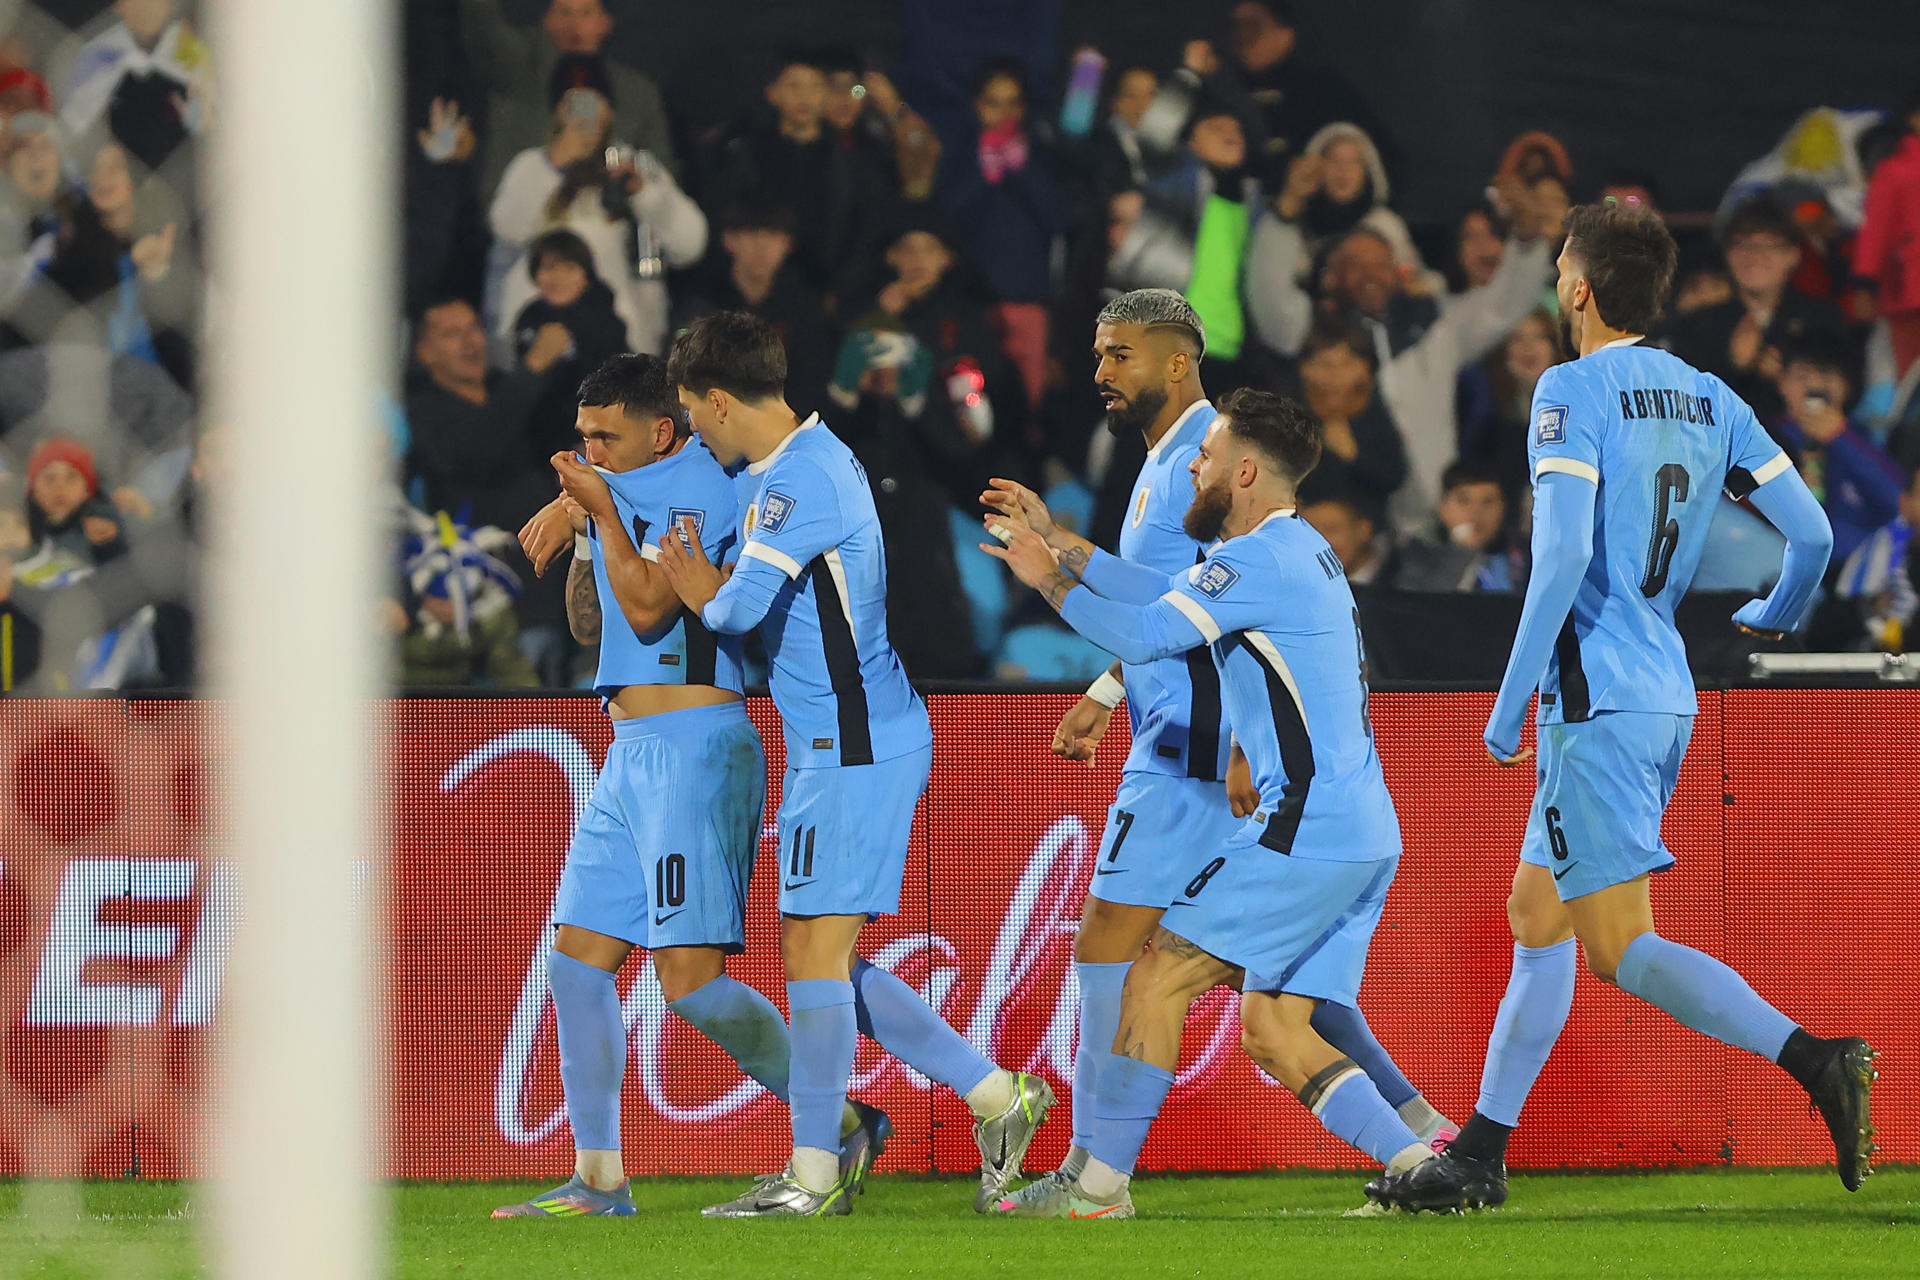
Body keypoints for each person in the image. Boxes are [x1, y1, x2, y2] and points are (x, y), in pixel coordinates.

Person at [1365, 202, 1872, 1215]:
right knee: (1536, 912)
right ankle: (1481, 1152)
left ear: (1580, 288)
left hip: (1594, 700)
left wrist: (1508, 705)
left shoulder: (1570, 387)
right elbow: (1811, 535)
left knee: (1619, 948)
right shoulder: (1711, 394)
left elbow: (1558, 554)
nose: (1557, 280)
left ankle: (1816, 1057)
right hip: (1663, 691)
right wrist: (1776, 612)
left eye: (1560, 266)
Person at [980, 290, 1452, 1191]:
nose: (1196, 464)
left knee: (1148, 974)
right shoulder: (1296, 547)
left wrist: (1046, 574)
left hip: (1282, 809)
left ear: (1243, 471)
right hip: (1357, 822)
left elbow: (1155, 629)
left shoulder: (1247, 548)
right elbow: (1172, 606)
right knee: (1278, 1021)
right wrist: (1066, 554)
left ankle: (1094, 1184)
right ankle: (1428, 1158)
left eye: (1208, 458)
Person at [653, 312, 1051, 1217]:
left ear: (720, 400)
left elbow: (735, 610)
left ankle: (816, 1172)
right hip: (841, 741)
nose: (695, 431)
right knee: (817, 953)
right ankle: (997, 1096)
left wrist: (698, 587)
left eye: (694, 412)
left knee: (815, 954)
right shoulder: (783, 467)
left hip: (856, 742)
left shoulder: (804, 479)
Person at [494, 354, 888, 1216]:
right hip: (627, 749)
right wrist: (584, 518)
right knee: (576, 964)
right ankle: (599, 1180)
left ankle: (839, 1120)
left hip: (696, 748)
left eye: (607, 437)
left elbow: (647, 611)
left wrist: (594, 508)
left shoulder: (707, 490)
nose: (591, 452)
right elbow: (592, 623)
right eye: (583, 437)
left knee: (692, 983)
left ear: (663, 431)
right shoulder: (615, 491)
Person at [1246, 179, 1557, 535]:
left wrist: (1528, 242)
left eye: (1381, 264)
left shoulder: (1434, 324)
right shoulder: (1310, 330)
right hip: (1346, 524)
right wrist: (1283, 218)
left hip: (1431, 519)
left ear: (1398, 271)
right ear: (1331, 276)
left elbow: (1503, 306)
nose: (1371, 274)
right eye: (1355, 264)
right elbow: (1268, 295)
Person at [489, 88, 707, 357]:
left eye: (595, 103)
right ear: (559, 111)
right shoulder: (532, 164)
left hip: (621, 346)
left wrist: (644, 194)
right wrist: (552, 164)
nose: (587, 115)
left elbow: (690, 246)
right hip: (540, 340)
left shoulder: (634, 165)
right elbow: (507, 228)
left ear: (611, 111)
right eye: (577, 103)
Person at [936, 57, 1075, 414]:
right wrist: (985, 174)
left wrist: (1022, 169)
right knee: (973, 410)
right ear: (977, 105)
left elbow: (1061, 216)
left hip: (1029, 304)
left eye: (1013, 103)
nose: (1004, 114)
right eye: (993, 102)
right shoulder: (959, 156)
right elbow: (945, 218)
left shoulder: (1041, 155)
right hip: (973, 306)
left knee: (1029, 410)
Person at [460, 0, 676, 197]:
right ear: (547, 21)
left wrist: (640, 188)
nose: (574, 25)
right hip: (525, 213)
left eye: (586, 13)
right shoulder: (518, 70)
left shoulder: (637, 93)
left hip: (606, 220)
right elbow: (483, 26)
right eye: (564, 12)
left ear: (605, 23)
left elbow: (662, 174)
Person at [1669, 197, 1848, 423]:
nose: (1754, 257)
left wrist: (1786, 375)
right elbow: (1680, 396)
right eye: (1742, 245)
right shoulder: (1701, 319)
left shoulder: (1821, 317)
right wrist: (1735, 365)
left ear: (1793, 255)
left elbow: (1848, 381)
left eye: (1768, 246)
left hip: (1803, 434)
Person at [405, 296, 567, 535]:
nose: (470, 341)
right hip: (482, 551)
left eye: (474, 328)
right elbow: (478, 451)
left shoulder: (504, 385)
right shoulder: (423, 410)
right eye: (452, 334)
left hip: (556, 541)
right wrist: (532, 368)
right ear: (425, 353)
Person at [1767, 332, 1907, 563]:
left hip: (1855, 569)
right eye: (1802, 376)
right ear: (1781, 383)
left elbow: (1901, 504)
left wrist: (1841, 438)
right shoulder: (1764, 436)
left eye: (1827, 376)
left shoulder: (1861, 440)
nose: (1815, 387)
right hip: (1782, 564)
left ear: (1848, 386)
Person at [1291, 318, 1408, 524]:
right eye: (1325, 364)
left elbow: (1393, 477)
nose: (1335, 376)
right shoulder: (1290, 415)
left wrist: (1353, 457)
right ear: (1305, 369)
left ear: (1365, 369)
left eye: (1347, 364)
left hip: (1366, 527)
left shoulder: (1372, 411)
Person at [1456, 307, 1566, 496]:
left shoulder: (1575, 400)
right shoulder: (1484, 405)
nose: (1528, 347)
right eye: (1516, 338)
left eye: (1539, 337)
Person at [1854, 86, 1920, 380]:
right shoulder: (1894, 170)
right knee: (1912, 375)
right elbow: (1875, 231)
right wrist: (1864, 282)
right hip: (1907, 291)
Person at [1391, 459, 1525, 593]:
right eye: (1464, 501)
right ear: (1443, 508)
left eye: (1488, 502)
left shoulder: (1526, 554)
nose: (1475, 513)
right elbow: (1421, 600)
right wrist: (1462, 552)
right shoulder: (1417, 555)